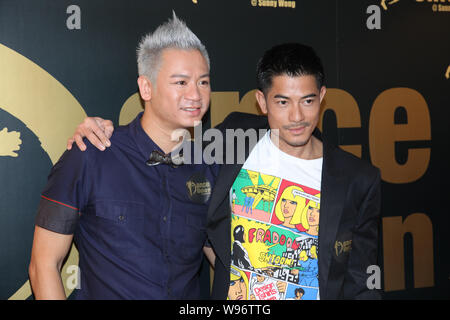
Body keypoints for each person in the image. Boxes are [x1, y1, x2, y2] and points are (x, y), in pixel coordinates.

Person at [69, 43, 382, 300]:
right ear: (262, 101)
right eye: (283, 101)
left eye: (308, 100)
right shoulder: (232, 140)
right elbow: (160, 144)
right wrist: (98, 129)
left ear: (322, 97)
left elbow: (361, 282)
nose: (297, 116)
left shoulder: (356, 179)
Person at [28, 13, 218, 299]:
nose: (196, 94)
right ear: (146, 87)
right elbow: (43, 265)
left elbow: (229, 260)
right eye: (181, 82)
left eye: (203, 82)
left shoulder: (210, 170)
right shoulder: (91, 154)